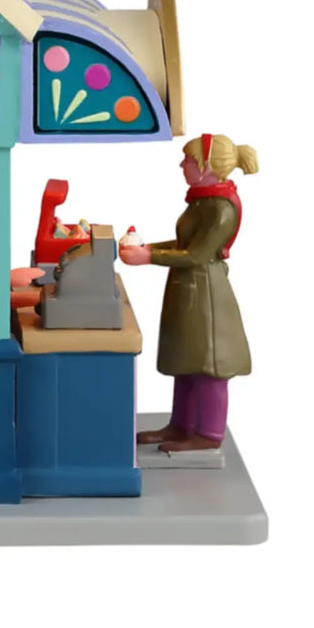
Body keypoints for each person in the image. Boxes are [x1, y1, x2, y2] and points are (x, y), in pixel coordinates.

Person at [119, 134, 258, 451]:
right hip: (188, 288)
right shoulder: (202, 202)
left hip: (206, 292)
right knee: (186, 361)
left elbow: (197, 254)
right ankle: (181, 425)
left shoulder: (221, 209)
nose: (182, 165)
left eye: (188, 160)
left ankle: (208, 433)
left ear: (206, 166)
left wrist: (148, 257)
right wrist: (148, 248)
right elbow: (186, 244)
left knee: (208, 365)